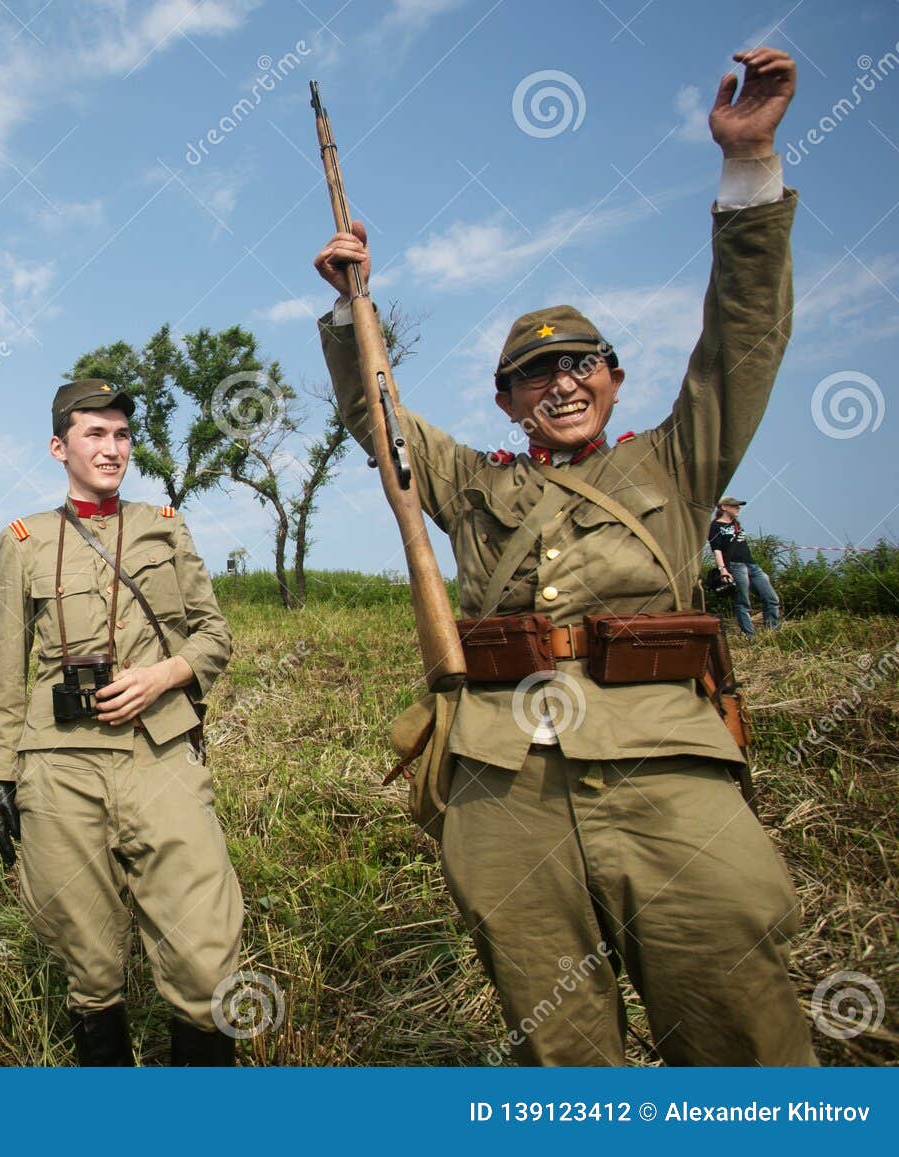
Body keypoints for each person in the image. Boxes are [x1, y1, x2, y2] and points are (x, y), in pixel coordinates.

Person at [311, 50, 815, 1064]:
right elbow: (381, 421)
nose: (558, 382)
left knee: (740, 1033)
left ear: (615, 378)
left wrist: (748, 170)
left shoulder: (678, 459)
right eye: (531, 372)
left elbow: (742, 339)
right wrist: (349, 308)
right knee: (560, 1053)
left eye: (579, 362)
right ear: (504, 399)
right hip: (504, 781)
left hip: (665, 768)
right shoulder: (470, 482)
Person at [0, 381, 244, 1065]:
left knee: (204, 951)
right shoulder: (23, 540)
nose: (111, 447)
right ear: (58, 446)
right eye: (94, 433)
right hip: (59, 763)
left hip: (159, 752)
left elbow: (214, 637)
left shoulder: (165, 524)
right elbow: (8, 670)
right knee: (90, 961)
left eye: (121, 434)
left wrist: (162, 675)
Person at [709, 496, 782, 634]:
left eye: (738, 506)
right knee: (743, 602)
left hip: (751, 564)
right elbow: (716, 550)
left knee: (772, 598)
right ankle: (750, 636)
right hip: (735, 566)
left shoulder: (736, 524)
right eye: (735, 505)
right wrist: (723, 569)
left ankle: (772, 633)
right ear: (724, 507)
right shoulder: (715, 526)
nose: (738, 508)